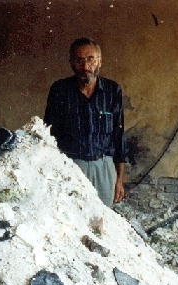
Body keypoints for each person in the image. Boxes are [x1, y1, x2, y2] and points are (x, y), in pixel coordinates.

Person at [44, 37, 127, 207]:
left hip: (103, 167)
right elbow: (48, 134)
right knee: (72, 219)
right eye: (79, 60)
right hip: (71, 167)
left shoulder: (112, 91)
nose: (85, 66)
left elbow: (118, 135)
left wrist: (119, 180)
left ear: (100, 61)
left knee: (103, 219)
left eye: (90, 59)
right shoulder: (60, 90)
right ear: (71, 63)